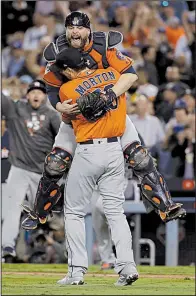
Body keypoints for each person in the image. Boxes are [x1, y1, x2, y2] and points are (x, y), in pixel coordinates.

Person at [22, 11, 186, 232]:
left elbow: (130, 74)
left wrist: (109, 95)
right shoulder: (59, 52)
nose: (75, 31)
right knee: (55, 162)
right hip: (77, 118)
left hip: (111, 113)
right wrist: (60, 106)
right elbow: (51, 88)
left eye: (80, 27)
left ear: (89, 29)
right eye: (71, 27)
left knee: (139, 157)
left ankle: (166, 206)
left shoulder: (104, 46)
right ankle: (39, 213)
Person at [55, 47, 139, 286]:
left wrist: (63, 110)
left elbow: (68, 119)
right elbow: (130, 75)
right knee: (115, 211)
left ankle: (76, 272)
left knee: (73, 211)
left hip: (88, 150)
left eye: (64, 71)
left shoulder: (67, 88)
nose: (63, 75)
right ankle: (127, 267)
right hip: (115, 150)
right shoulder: (113, 74)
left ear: (70, 70)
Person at [1, 80, 61, 261]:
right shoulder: (16, 110)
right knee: (11, 208)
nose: (36, 95)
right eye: (33, 91)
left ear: (44, 96)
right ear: (27, 95)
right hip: (19, 168)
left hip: (42, 174)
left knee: (48, 216)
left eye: (40, 92)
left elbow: (63, 141)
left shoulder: (52, 115)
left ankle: (60, 246)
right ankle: (7, 246)